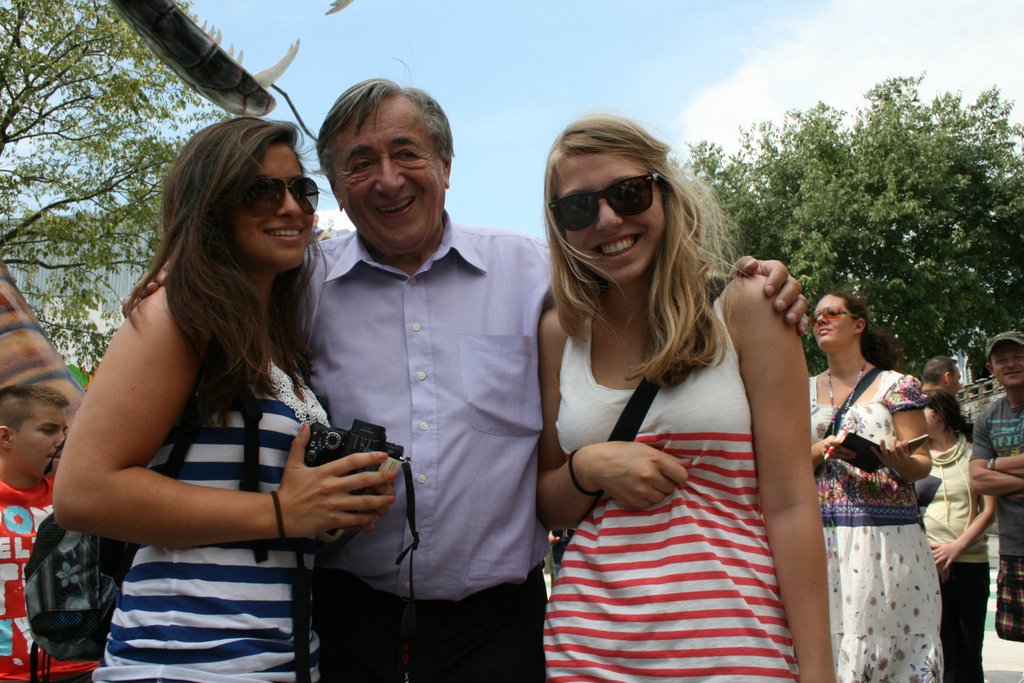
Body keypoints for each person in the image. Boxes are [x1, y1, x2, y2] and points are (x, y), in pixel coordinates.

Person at [307, 78, 810, 683]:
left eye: (407, 152)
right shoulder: (299, 290)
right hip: (352, 622)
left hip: (502, 631)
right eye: (361, 163)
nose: (389, 179)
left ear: (445, 164)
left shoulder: (534, 272)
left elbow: (651, 274)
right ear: (335, 186)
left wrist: (762, 280)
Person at [53, 117, 395, 682]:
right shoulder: (175, 316)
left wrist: (334, 503)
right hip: (184, 661)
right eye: (262, 191)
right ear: (211, 204)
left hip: (275, 660)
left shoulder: (274, 341)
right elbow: (83, 492)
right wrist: (282, 512)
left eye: (301, 189)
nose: (292, 207)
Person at [535, 114, 833, 681]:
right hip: (588, 652)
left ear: (666, 193)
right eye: (578, 208)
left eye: (629, 193)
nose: (607, 220)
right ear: (560, 227)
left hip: (737, 648)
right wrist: (588, 467)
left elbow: (792, 503)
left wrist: (819, 671)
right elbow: (550, 504)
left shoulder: (747, 306)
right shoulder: (560, 333)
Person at [808, 290, 942, 681]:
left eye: (832, 313)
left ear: (858, 324)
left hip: (886, 539)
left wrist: (900, 461)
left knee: (893, 644)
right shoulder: (801, 388)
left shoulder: (896, 385)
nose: (820, 320)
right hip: (821, 536)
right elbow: (785, 463)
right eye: (816, 316)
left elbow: (921, 462)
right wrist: (824, 448)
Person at [0, 385, 95, 683]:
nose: (61, 441)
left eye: (64, 431)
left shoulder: (76, 499)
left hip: (80, 669)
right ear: (5, 437)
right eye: (48, 430)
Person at [915, 388, 993, 683]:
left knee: (970, 646)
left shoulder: (974, 454)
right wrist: (930, 552)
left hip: (970, 559)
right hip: (929, 561)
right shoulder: (916, 457)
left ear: (939, 414)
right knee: (939, 646)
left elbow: (988, 511)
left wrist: (956, 547)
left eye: (921, 409)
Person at [969, 330, 1024, 643]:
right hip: (1014, 543)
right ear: (991, 369)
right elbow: (977, 478)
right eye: (1002, 359)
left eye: (1018, 356)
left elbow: (984, 471)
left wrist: (995, 464)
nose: (1011, 364)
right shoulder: (988, 418)